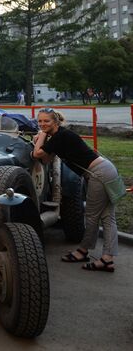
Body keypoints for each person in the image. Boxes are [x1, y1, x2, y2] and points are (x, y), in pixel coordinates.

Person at [33, 108, 120, 272]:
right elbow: (45, 159)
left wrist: (41, 135)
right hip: (106, 170)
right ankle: (107, 259)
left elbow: (37, 153)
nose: (43, 124)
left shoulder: (60, 136)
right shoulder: (59, 136)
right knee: (108, 217)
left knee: (93, 216)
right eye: (40, 121)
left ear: (55, 122)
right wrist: (43, 138)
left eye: (47, 121)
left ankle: (83, 251)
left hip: (99, 173)